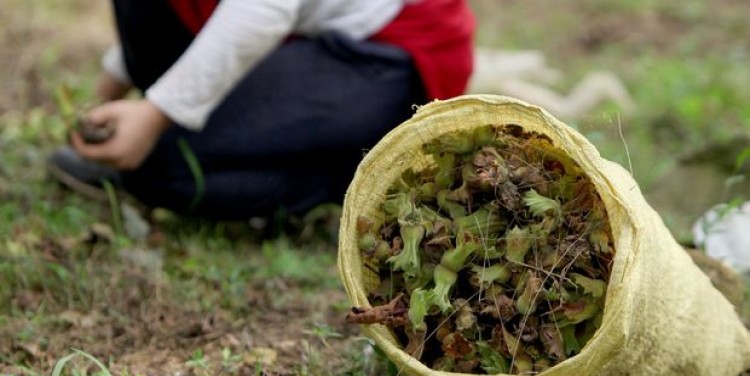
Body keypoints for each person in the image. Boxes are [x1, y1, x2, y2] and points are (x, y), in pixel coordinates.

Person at [49, 0, 476, 220]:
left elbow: (261, 9)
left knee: (165, 166)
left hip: (385, 52)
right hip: (299, 33)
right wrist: (114, 85)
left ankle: (347, 175)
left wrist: (157, 112)